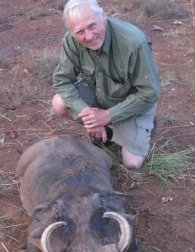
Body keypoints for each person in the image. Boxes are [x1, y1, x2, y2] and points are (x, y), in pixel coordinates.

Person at [52, 0, 160, 170]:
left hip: (132, 101)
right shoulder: (71, 41)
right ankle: (108, 134)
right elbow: (62, 80)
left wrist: (107, 116)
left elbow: (149, 93)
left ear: (103, 16)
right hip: (101, 93)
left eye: (91, 26)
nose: (88, 36)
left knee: (131, 163)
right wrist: (88, 114)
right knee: (59, 104)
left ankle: (146, 125)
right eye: (80, 31)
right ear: (72, 32)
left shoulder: (133, 42)